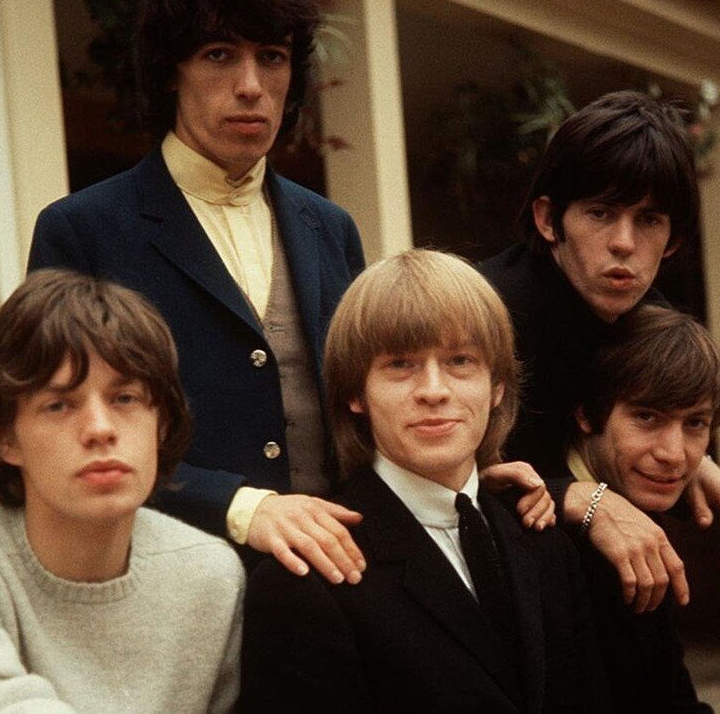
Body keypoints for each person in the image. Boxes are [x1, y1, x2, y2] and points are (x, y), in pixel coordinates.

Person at [27, 0, 370, 584]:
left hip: (338, 579)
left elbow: (367, 407)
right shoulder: (83, 229)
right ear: (169, 72)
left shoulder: (331, 228)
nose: (251, 85)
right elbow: (62, 431)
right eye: (219, 54)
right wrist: (237, 506)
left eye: (272, 57)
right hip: (172, 582)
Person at [240, 250, 614, 713]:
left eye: (460, 361)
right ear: (356, 393)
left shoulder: (547, 546)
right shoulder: (303, 582)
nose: (434, 391)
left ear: (497, 386)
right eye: (401, 364)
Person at [0, 270, 244, 712]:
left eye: (125, 398)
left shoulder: (209, 576)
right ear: (4, 436)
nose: (100, 429)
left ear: (162, 423)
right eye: (59, 405)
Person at [478, 90, 720, 612]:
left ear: (673, 239)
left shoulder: (644, 315)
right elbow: (432, 478)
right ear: (548, 220)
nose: (624, 242)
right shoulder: (480, 317)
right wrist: (578, 497)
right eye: (600, 213)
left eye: (649, 220)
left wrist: (697, 462)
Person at [567, 304, 720, 713]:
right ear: (586, 414)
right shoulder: (546, 533)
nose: (673, 454)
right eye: (646, 417)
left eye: (695, 423)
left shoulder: (635, 503)